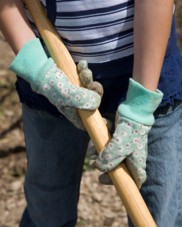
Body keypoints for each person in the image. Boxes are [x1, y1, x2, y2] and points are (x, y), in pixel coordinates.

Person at [0, 0, 182, 226]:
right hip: (50, 74)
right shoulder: (45, 74)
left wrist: (140, 109)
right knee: (47, 206)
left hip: (148, 76)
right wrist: (38, 70)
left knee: (160, 208)